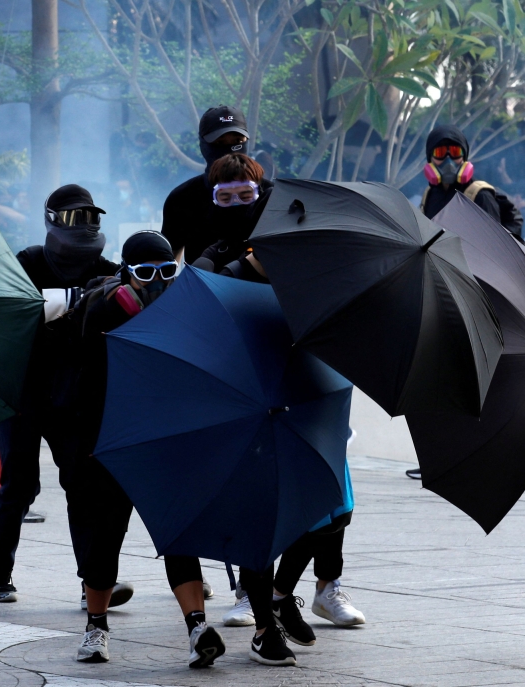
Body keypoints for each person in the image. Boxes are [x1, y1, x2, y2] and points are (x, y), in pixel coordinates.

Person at [196, 154, 365, 667]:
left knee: (334, 510)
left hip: (309, 404)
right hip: (250, 410)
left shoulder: (303, 276)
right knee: (258, 524)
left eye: (245, 196)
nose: (235, 206)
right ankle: (266, 626)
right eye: (224, 197)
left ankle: (282, 591)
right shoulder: (214, 271)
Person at [71, 231, 225, 668]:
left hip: (162, 444)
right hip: (111, 443)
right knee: (104, 540)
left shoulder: (182, 311)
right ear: (126, 272)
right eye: (144, 274)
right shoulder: (103, 304)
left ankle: (197, 627)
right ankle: (96, 627)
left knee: (178, 535)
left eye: (165, 273)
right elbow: (90, 336)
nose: (155, 282)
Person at [0, 184, 134, 610]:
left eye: (89, 217)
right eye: (73, 217)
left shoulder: (107, 270)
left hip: (76, 394)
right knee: (19, 483)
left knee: (82, 487)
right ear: (51, 221)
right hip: (22, 390)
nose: (83, 226)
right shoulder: (26, 263)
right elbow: (3, 310)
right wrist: (70, 302)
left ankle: (93, 583)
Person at [410, 124, 523, 480]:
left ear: (466, 156)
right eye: (440, 153)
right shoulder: (429, 197)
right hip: (443, 297)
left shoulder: (479, 193)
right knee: (443, 382)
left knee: (479, 382)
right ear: (429, 158)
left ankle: (481, 455)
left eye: (454, 153)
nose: (446, 160)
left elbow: (488, 249)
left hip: (476, 298)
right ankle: (443, 455)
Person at [161, 105, 252, 264]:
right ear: (203, 145)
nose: (229, 150)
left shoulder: (269, 196)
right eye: (220, 142)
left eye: (237, 141)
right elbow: (169, 262)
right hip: (201, 287)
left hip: (259, 288)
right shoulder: (183, 199)